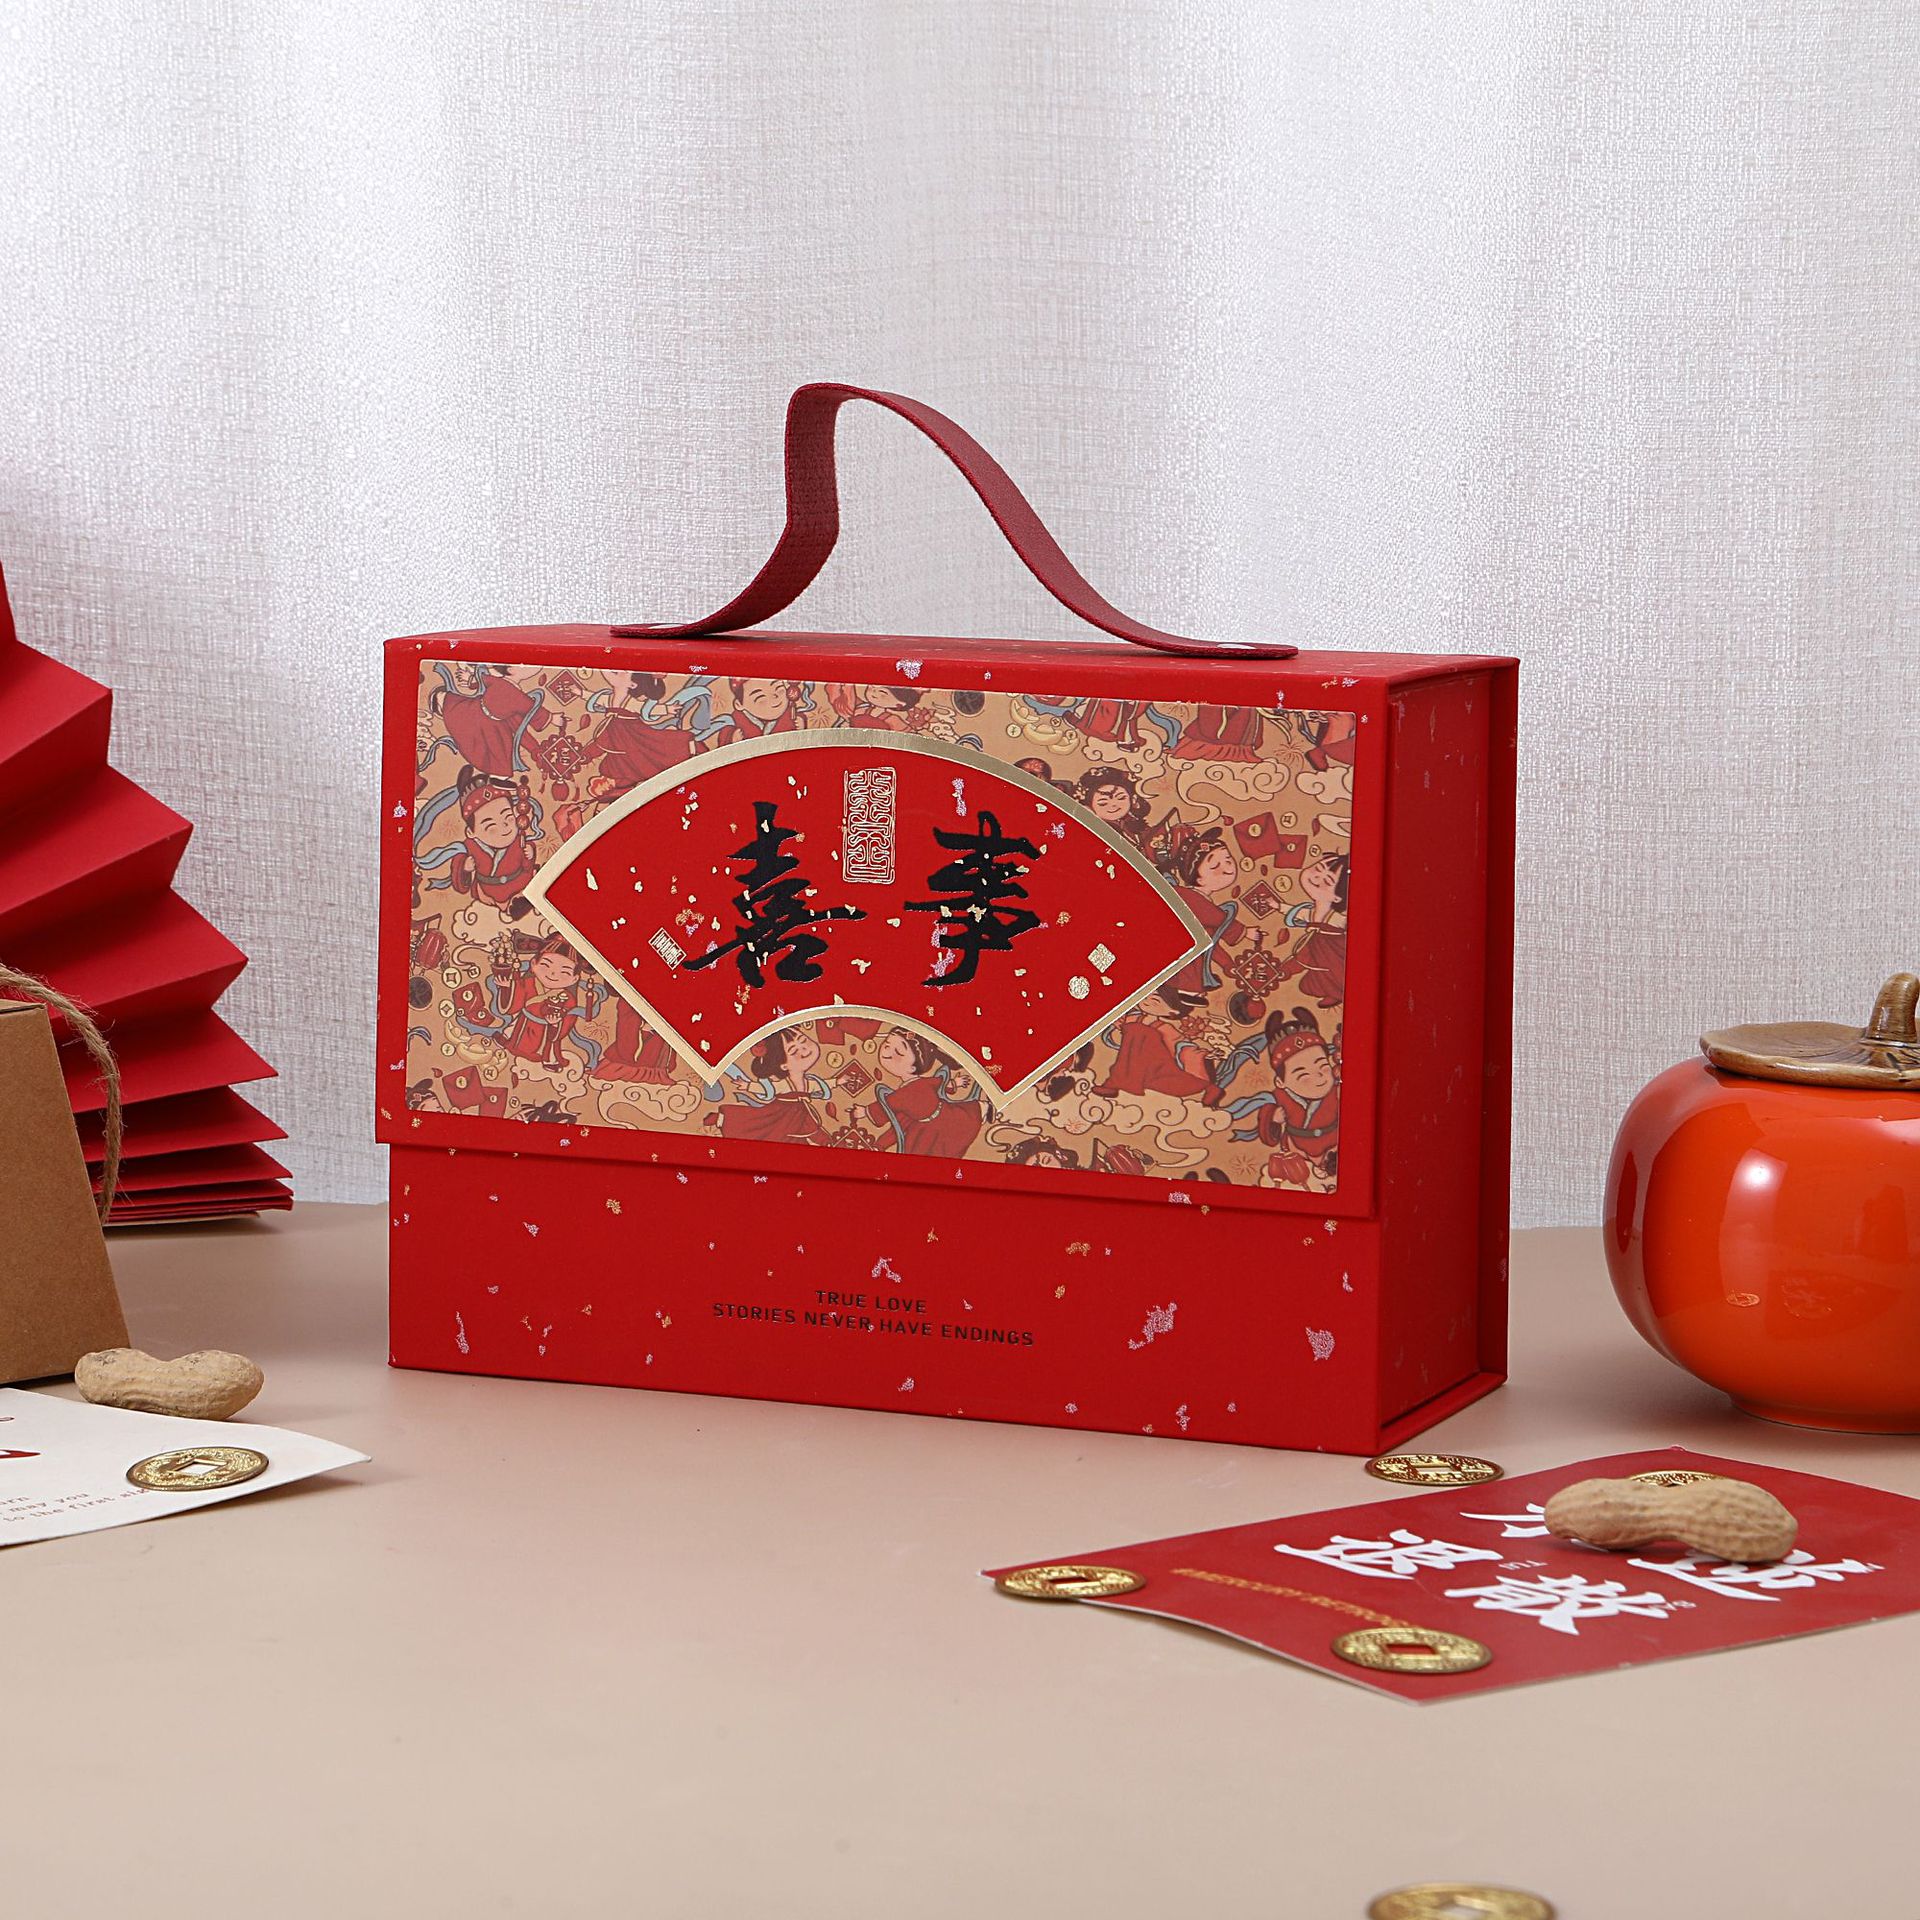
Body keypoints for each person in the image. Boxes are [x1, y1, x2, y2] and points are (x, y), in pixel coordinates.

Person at [862, 1029, 984, 1158]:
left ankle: (985, 1108)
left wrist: (865, 1111)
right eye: (887, 1044)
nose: (887, 1052)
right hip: (918, 1124)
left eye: (898, 1052)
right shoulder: (908, 1090)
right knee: (901, 1123)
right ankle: (879, 1146)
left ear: (913, 1068)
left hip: (941, 1123)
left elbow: (889, 1104)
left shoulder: (911, 1090)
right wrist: (954, 1083)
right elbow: (939, 1083)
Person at [719, 1026, 835, 1145]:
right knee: (768, 1128)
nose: (805, 1050)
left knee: (802, 1128)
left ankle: (822, 1143)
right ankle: (725, 1119)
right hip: (781, 1112)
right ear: (784, 1066)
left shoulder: (808, 1082)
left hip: (799, 1113)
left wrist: (839, 1081)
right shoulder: (785, 1084)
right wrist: (748, 1086)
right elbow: (770, 1089)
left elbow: (820, 1085)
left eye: (804, 1040)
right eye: (794, 1051)